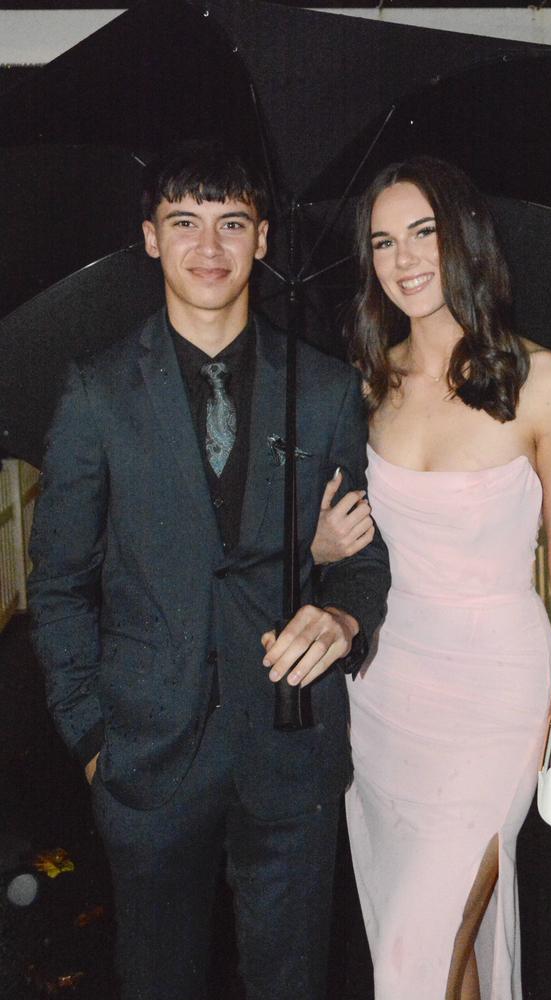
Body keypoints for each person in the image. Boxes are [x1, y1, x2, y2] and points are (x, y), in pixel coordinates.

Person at [27, 141, 390, 1000]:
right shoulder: (98, 392)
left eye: (232, 223)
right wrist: (90, 742)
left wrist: (341, 615)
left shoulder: (327, 391)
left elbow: (364, 558)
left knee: (291, 980)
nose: (210, 247)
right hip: (146, 758)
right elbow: (59, 584)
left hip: (290, 747)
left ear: (262, 239)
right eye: (184, 223)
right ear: (151, 238)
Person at [311, 156, 551, 1000]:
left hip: (492, 697)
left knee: (419, 944)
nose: (405, 259)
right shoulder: (367, 384)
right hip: (381, 693)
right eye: (383, 242)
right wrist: (325, 553)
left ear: (465, 240)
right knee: (445, 945)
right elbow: (343, 544)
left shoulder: (544, 384)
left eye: (425, 233)